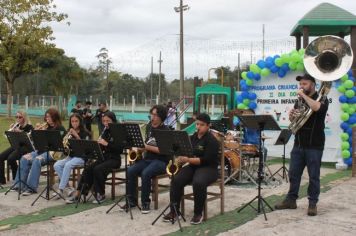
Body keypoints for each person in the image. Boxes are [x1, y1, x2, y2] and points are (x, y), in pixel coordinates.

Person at [275, 73, 329, 216]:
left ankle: (312, 203)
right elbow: (294, 121)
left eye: (304, 84)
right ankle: (291, 200)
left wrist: (304, 96)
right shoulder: (299, 100)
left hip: (314, 145)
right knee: (294, 174)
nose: (301, 87)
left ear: (312, 84)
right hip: (298, 143)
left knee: (313, 176)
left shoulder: (322, 98)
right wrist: (292, 115)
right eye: (300, 84)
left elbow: (317, 108)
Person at [163, 113, 219, 225]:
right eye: (197, 124)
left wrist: (187, 159)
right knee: (176, 179)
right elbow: (187, 153)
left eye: (201, 125)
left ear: (208, 126)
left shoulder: (212, 140)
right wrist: (179, 156)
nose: (198, 127)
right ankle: (174, 211)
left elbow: (205, 160)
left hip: (209, 168)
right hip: (193, 166)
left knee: (198, 182)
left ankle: (198, 213)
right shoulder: (192, 138)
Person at [66, 112, 123, 204]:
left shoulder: (118, 132)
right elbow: (101, 147)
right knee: (88, 168)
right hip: (104, 157)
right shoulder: (105, 131)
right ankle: (79, 193)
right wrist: (97, 145)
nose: (105, 123)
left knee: (98, 169)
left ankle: (101, 193)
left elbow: (120, 149)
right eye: (104, 121)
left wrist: (107, 144)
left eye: (108, 121)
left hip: (114, 159)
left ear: (113, 121)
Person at [124, 105, 169, 214]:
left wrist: (146, 147)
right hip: (148, 159)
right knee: (130, 171)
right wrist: (140, 149)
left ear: (161, 117)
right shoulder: (149, 127)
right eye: (151, 114)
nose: (152, 117)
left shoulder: (166, 130)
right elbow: (146, 144)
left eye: (155, 115)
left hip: (161, 161)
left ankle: (145, 202)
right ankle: (132, 200)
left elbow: (163, 150)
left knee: (146, 173)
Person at [14, 108, 66, 195]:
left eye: (49, 117)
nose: (47, 119)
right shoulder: (46, 127)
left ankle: (31, 188)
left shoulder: (60, 128)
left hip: (55, 152)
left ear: (54, 117)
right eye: (46, 117)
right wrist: (36, 134)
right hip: (42, 150)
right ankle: (19, 185)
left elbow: (59, 145)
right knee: (24, 158)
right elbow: (36, 143)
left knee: (37, 160)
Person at [53, 113, 91, 198]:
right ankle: (68, 188)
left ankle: (61, 189)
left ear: (80, 122)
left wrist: (76, 135)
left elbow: (85, 147)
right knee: (57, 165)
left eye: (76, 121)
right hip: (71, 156)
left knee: (67, 165)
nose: (74, 123)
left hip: (81, 157)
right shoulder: (68, 132)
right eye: (72, 121)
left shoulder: (85, 133)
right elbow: (65, 149)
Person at [0, 111, 33, 184]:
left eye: (20, 117)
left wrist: (20, 132)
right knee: (1, 156)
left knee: (11, 158)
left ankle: (16, 177)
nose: (18, 119)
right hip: (16, 146)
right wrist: (11, 131)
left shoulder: (29, 126)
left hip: (26, 148)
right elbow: (10, 138)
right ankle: (1, 180)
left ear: (24, 118)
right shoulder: (17, 126)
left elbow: (30, 139)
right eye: (16, 117)